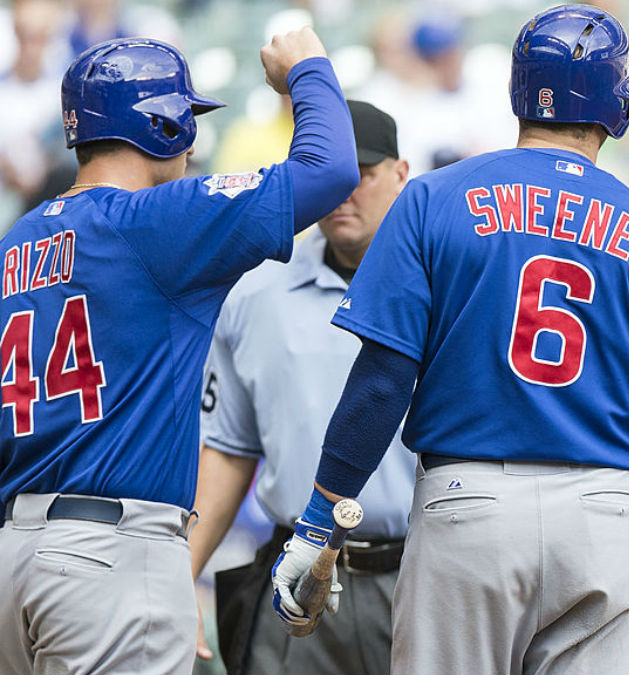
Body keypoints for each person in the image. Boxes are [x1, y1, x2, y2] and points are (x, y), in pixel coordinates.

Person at [269, 5, 629, 675]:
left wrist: (318, 521)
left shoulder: (431, 199)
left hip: (471, 503)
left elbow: (382, 381)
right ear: (618, 100)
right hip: (606, 512)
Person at [0, 29, 357, 675]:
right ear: (163, 126)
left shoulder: (18, 239)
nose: (191, 137)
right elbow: (329, 169)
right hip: (108, 551)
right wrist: (308, 68)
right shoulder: (156, 219)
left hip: (15, 550)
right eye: (185, 117)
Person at [189, 100, 413, 675]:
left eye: (361, 175)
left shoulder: (445, 282)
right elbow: (229, 450)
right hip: (297, 573)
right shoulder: (256, 288)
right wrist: (180, 574)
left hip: (422, 571)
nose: (343, 193)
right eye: (332, 177)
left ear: (400, 174)